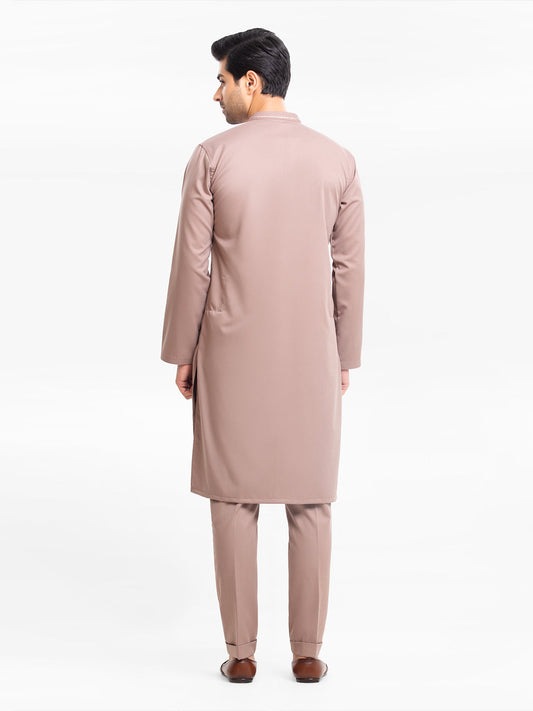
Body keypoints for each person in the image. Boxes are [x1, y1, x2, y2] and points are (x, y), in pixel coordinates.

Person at [161, 28, 365, 683]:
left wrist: (181, 349)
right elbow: (348, 268)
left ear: (251, 82)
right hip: (311, 353)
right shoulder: (337, 160)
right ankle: (307, 652)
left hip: (229, 349)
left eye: (221, 80)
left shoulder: (211, 157)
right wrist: (344, 354)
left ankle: (242, 653)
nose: (215, 93)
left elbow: (192, 263)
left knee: (232, 500)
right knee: (311, 502)